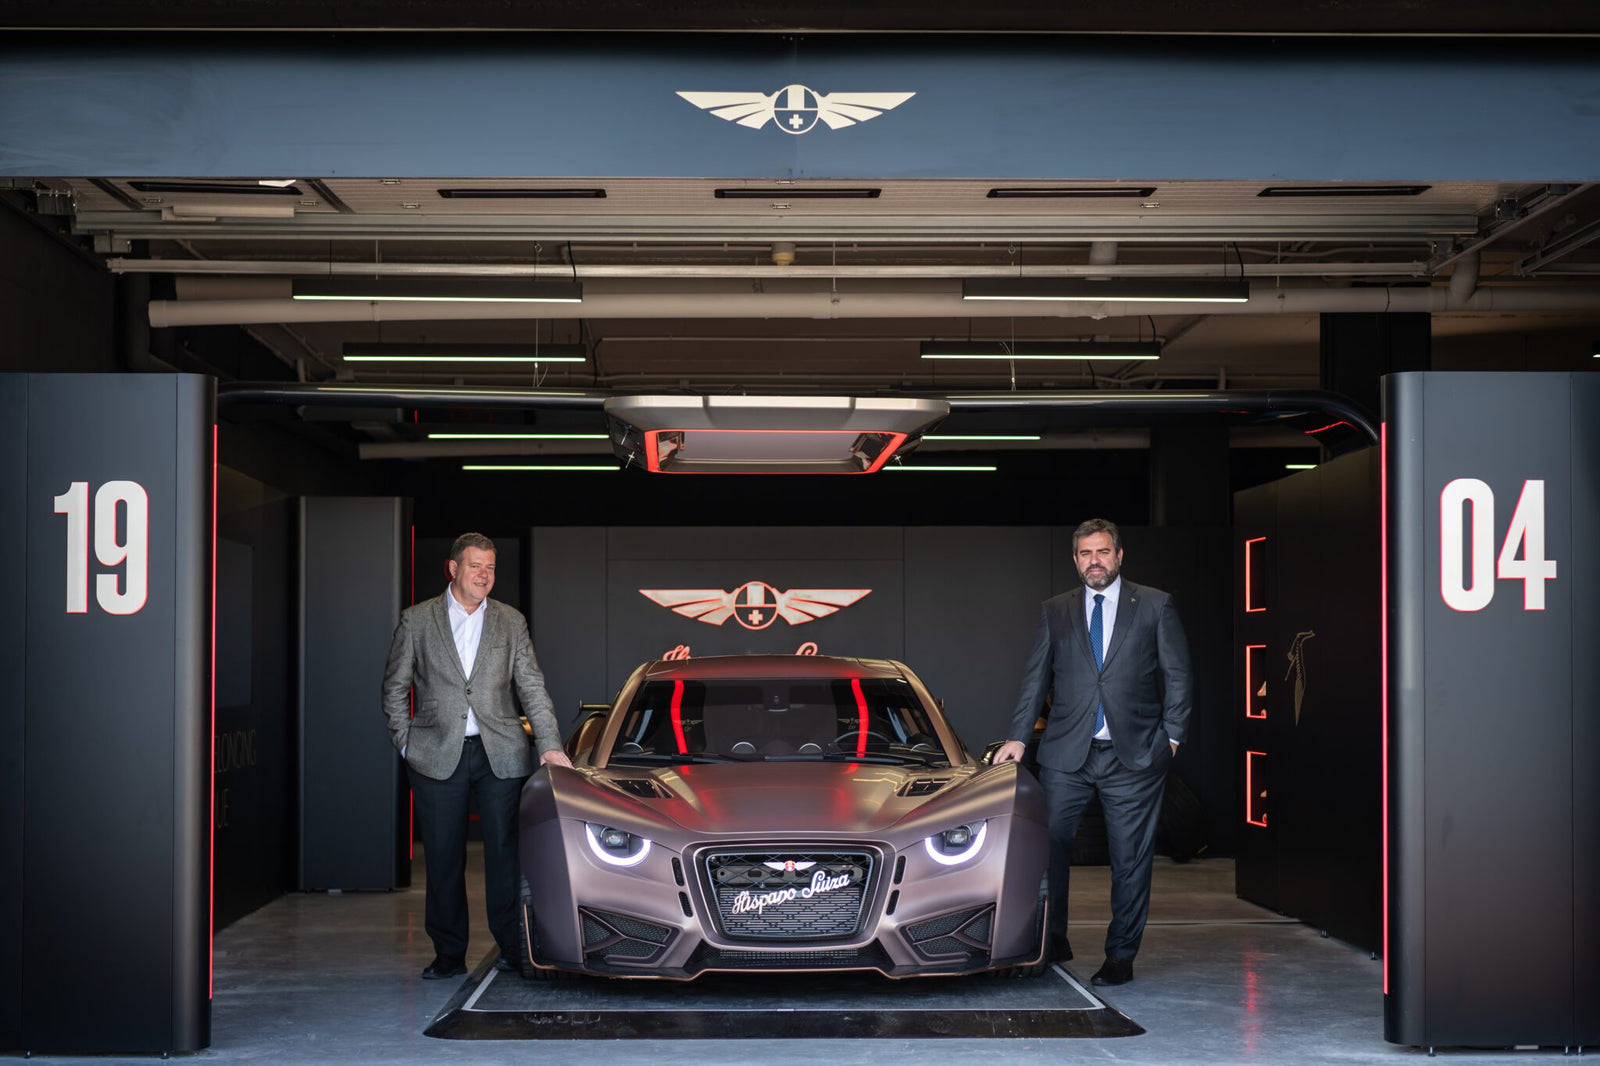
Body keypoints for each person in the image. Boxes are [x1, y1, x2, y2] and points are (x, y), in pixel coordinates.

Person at [994, 518, 1192, 987]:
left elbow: (1179, 674)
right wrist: (1019, 736)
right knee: (1049, 852)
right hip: (1066, 755)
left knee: (1130, 859)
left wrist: (1173, 736)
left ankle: (1121, 955)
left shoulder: (1155, 605)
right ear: (1076, 559)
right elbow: (1035, 678)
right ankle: (1052, 939)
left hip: (1136, 756)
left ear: (1119, 556)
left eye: (1102, 552)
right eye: (1085, 554)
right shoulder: (1056, 610)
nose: (1094, 561)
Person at [381, 532, 572, 980]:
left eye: (490, 567)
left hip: (500, 755)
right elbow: (393, 687)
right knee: (444, 858)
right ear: (453, 569)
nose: (484, 575)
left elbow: (531, 687)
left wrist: (549, 743)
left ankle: (510, 947)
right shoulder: (416, 620)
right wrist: (406, 743)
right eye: (475, 566)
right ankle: (448, 955)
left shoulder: (511, 621)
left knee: (505, 856)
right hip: (434, 754)